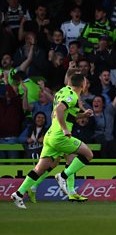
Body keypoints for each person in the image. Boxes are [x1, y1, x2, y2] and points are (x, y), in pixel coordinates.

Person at [11, 74, 94, 209]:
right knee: (88, 155)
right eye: (86, 82)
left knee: (40, 168)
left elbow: (67, 114)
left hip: (50, 135)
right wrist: (65, 129)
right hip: (60, 136)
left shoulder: (62, 91)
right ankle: (63, 177)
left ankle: (18, 193)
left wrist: (83, 115)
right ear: (82, 85)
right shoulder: (72, 95)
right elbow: (59, 109)